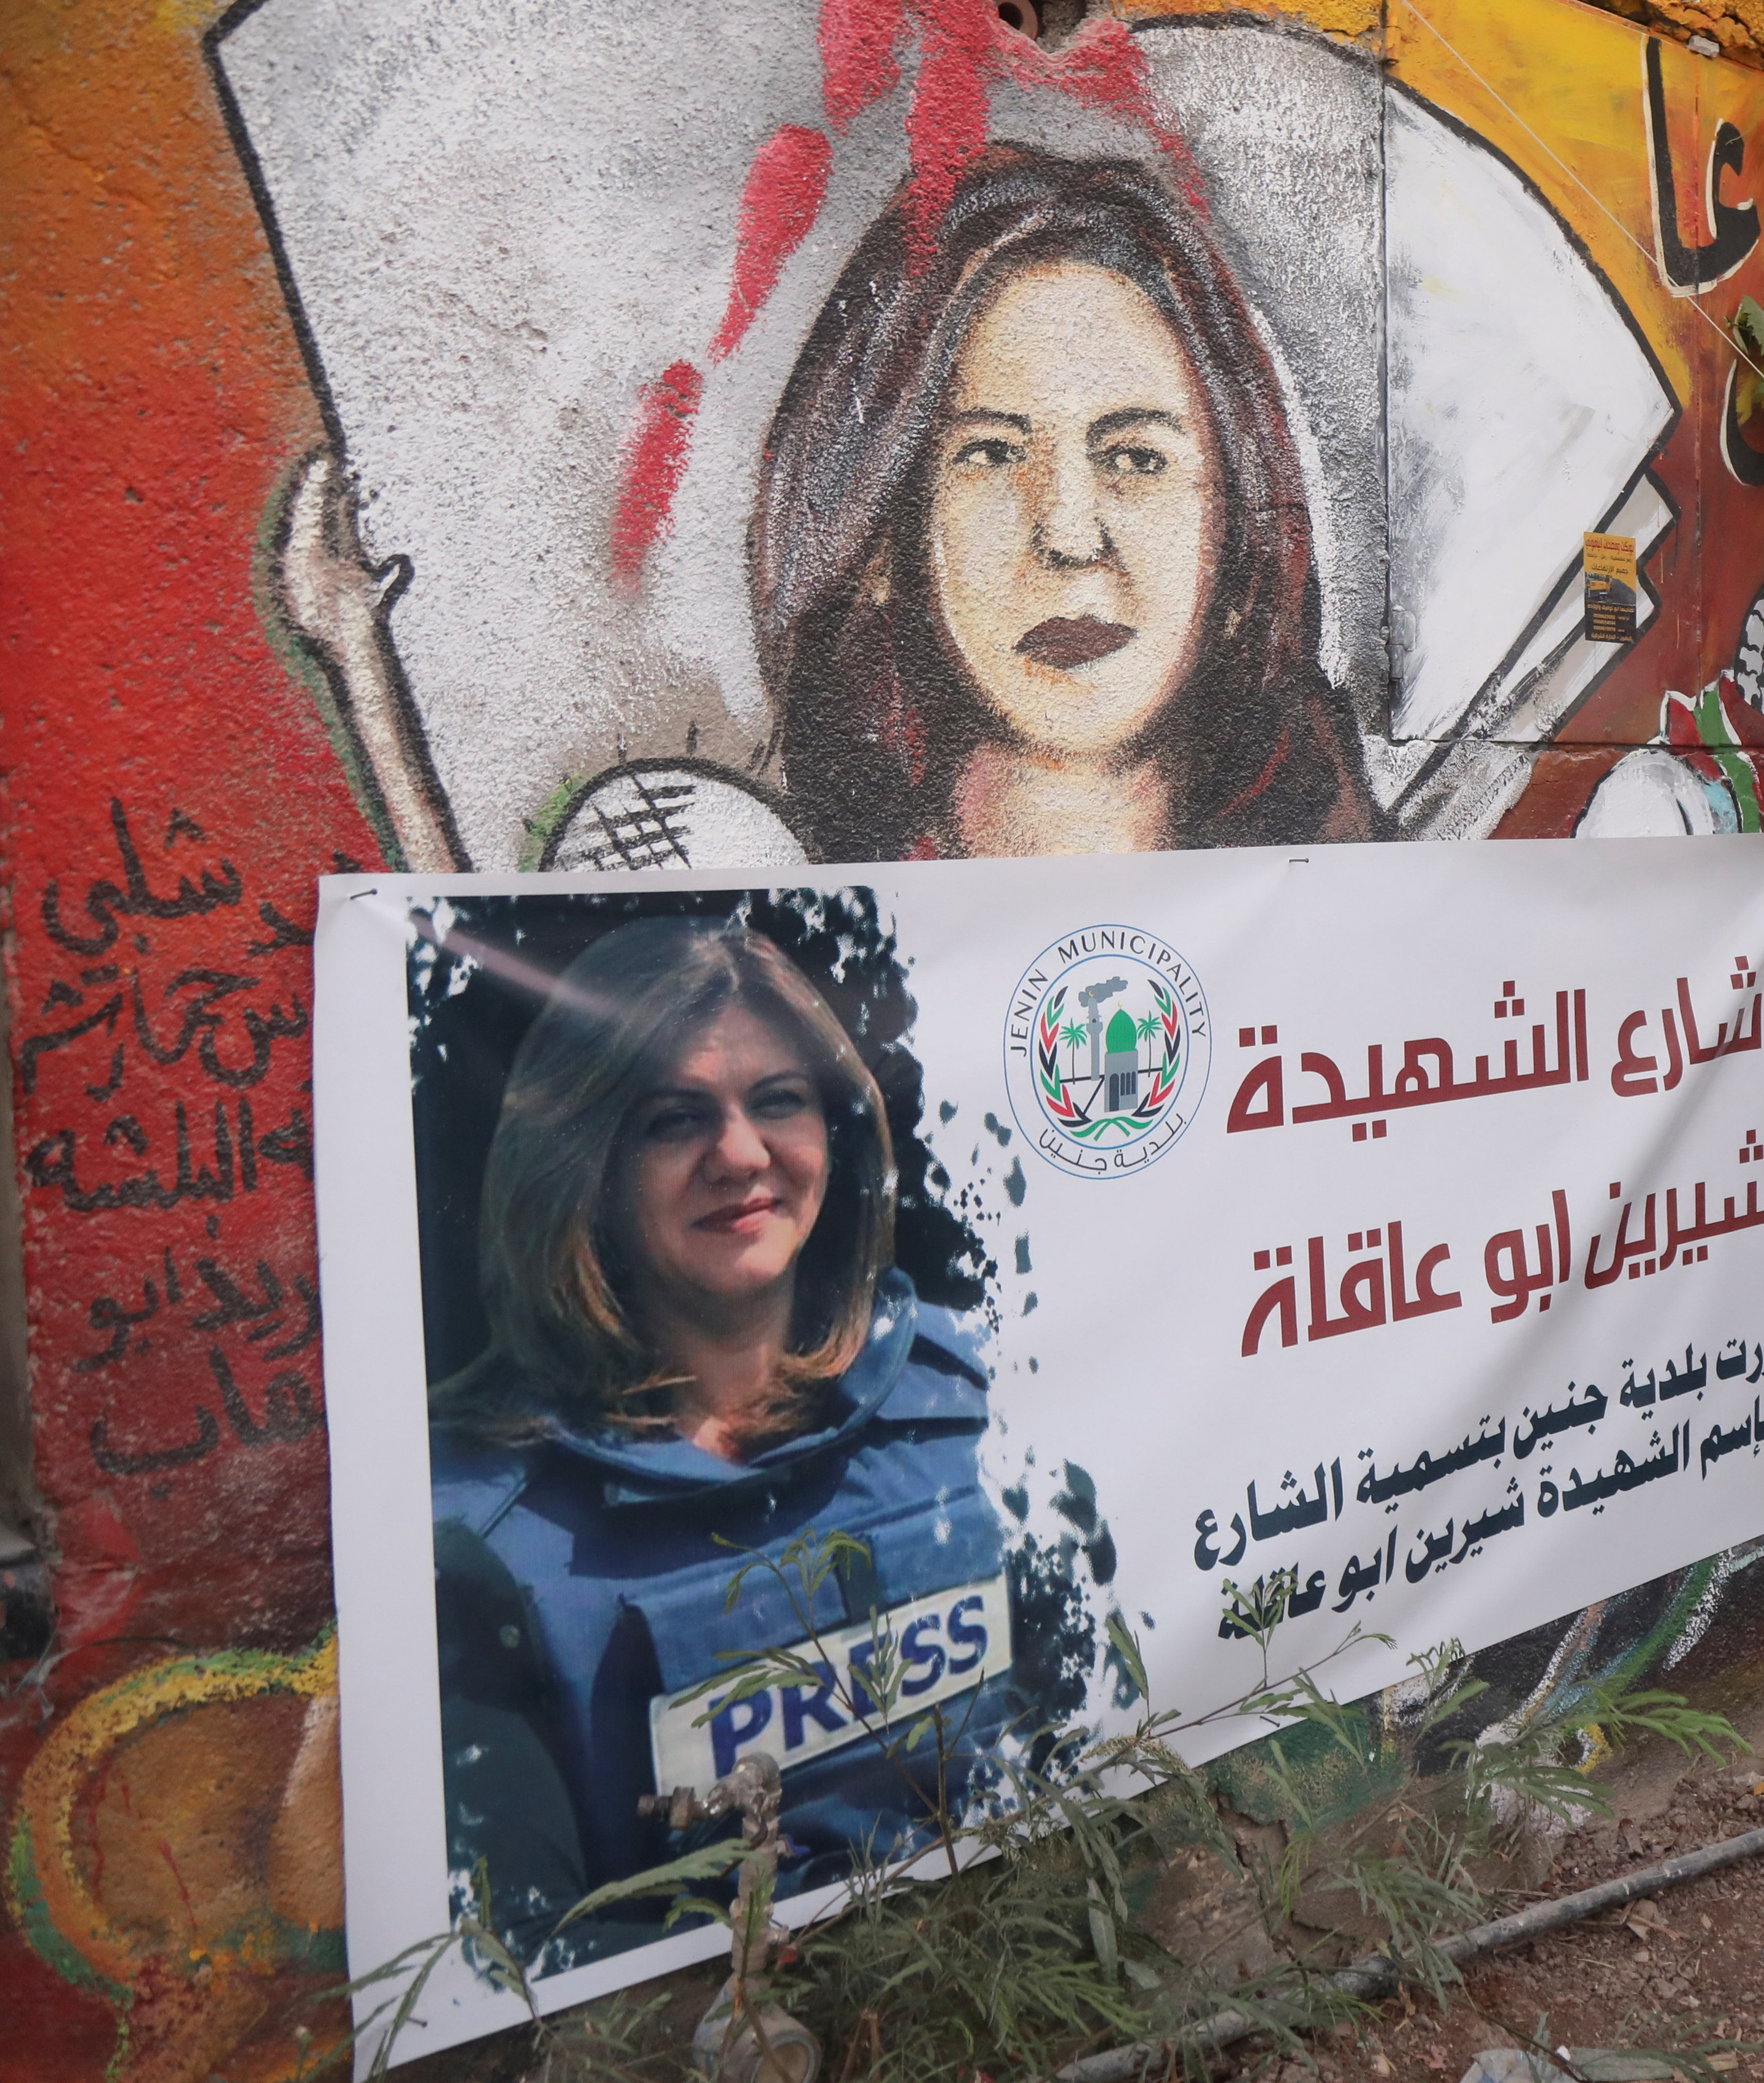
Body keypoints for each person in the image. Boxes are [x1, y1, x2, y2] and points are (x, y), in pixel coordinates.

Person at [429, 916, 1021, 1957]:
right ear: (585, 1162)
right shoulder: (471, 1535)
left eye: (778, 1101)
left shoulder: (985, 1390)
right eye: (672, 1118)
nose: (740, 1154)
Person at [755, 147, 1382, 862]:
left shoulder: (1352, 909)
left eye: (1137, 459)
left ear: (1238, 535)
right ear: (884, 540)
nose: (1069, 534)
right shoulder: (772, 928)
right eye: (990, 454)